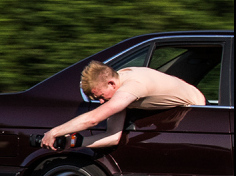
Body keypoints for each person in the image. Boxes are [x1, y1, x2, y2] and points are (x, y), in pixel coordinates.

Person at [40, 60, 206, 150]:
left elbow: (93, 119)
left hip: (199, 117)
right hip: (178, 120)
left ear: (112, 83)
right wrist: (76, 143)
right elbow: (113, 137)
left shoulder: (133, 85)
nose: (101, 102)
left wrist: (54, 131)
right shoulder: (120, 81)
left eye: (100, 96)